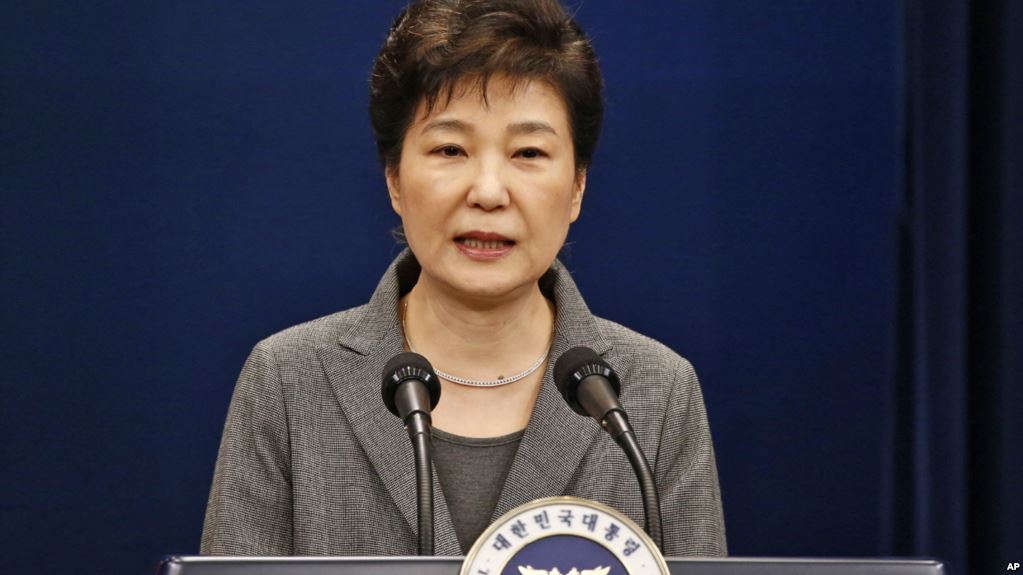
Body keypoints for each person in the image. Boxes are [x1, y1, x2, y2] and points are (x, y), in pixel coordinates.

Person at [201, 0, 726, 557]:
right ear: (395, 180)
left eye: (528, 152)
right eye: (451, 149)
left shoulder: (656, 392)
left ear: (577, 187)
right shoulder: (287, 382)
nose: (489, 192)